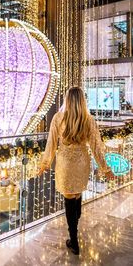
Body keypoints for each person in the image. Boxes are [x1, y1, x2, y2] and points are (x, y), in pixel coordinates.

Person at [39, 87, 114, 255]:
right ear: (82, 100)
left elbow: (51, 144)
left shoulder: (58, 118)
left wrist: (44, 164)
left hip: (65, 164)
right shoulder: (89, 120)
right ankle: (75, 227)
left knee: (69, 198)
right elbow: (97, 148)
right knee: (77, 195)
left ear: (67, 100)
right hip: (81, 163)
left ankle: (73, 240)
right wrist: (105, 168)